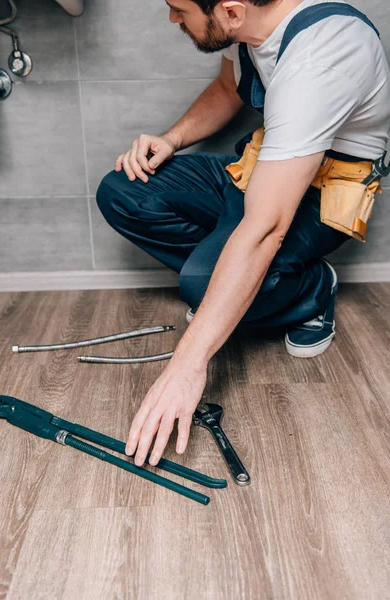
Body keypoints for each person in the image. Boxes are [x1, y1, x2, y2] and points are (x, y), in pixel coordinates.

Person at [96, 0, 390, 468]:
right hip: (263, 171)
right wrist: (171, 140)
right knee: (123, 191)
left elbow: (267, 226)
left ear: (231, 11)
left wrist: (187, 366)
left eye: (178, 9)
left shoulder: (324, 52)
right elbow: (227, 89)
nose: (172, 19)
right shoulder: (249, 26)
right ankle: (237, 277)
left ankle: (314, 288)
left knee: (202, 283)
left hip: (319, 195)